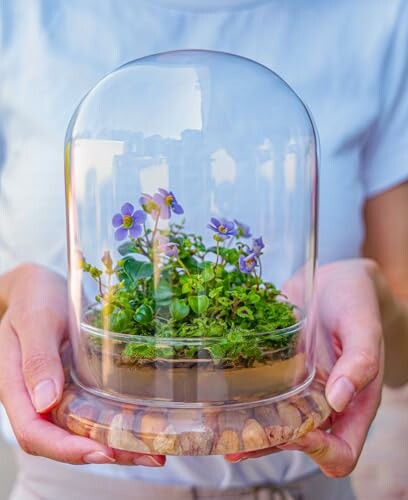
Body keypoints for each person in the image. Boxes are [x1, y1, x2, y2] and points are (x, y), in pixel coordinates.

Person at [0, 0, 407, 499]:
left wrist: (365, 296)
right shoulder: (22, 17)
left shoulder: (377, 19)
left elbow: (402, 333)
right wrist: (16, 293)